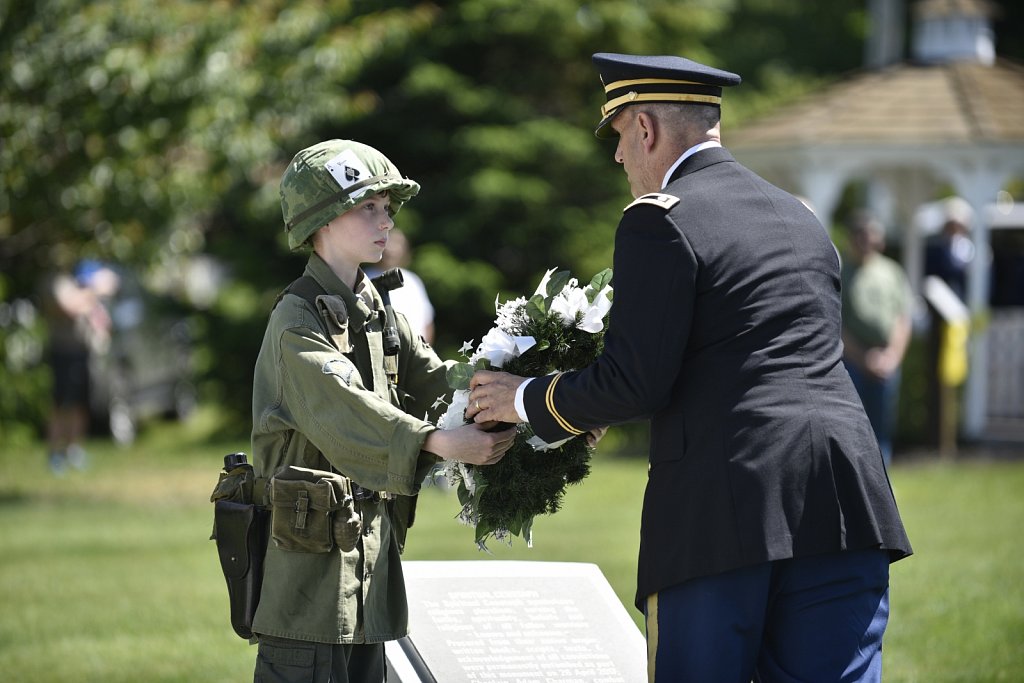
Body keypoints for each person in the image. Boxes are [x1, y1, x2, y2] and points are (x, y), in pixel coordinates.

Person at [467, 53, 912, 682]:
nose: (619, 157)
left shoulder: (659, 218)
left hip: (725, 508)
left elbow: (635, 382)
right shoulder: (803, 217)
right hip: (847, 498)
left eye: (619, 136)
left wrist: (521, 399)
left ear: (644, 128)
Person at [249, 139, 514, 683]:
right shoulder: (296, 322)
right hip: (309, 587)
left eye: (387, 207)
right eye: (367, 206)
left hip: (366, 573)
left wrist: (529, 396)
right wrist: (436, 443)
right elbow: (348, 412)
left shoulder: (371, 307)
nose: (386, 219)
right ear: (321, 220)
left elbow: (438, 381)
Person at [840, 210, 913, 466]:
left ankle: (883, 478)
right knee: (854, 427)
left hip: (886, 360)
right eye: (859, 236)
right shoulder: (842, 273)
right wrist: (863, 358)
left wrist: (892, 356)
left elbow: (902, 319)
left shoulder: (891, 272)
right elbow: (838, 325)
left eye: (869, 236)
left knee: (882, 429)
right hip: (853, 363)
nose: (865, 241)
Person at [40, 259, 119, 474]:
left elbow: (104, 322)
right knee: (61, 404)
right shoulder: (58, 282)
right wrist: (94, 291)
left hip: (84, 354)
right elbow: (69, 307)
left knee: (81, 404)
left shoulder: (82, 288)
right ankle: (55, 452)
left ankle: (74, 450)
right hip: (63, 353)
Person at [363, 228, 436, 343]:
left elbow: (427, 321)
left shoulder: (413, 280)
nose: (391, 249)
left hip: (415, 351)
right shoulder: (364, 278)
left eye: (397, 244)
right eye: (388, 242)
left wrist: (425, 351)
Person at [923, 197, 975, 302]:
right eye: (951, 226)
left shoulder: (969, 247)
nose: (954, 229)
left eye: (957, 226)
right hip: (941, 298)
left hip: (963, 297)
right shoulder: (937, 248)